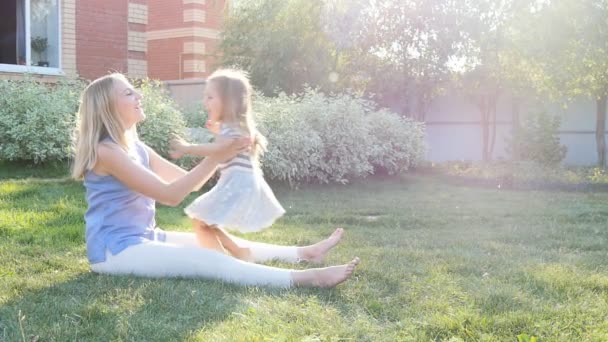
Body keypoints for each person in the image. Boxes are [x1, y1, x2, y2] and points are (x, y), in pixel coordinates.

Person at [71, 73, 359, 288]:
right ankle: (307, 278)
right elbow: (170, 196)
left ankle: (305, 253)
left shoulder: (136, 147)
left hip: (145, 237)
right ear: (108, 106)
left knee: (219, 242)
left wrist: (222, 150)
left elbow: (187, 183)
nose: (139, 96)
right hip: (114, 251)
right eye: (129, 93)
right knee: (209, 260)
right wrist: (218, 153)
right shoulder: (105, 151)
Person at [170, 69, 282, 260]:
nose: (205, 102)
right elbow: (225, 148)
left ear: (229, 102)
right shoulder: (237, 127)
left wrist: (187, 148)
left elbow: (218, 151)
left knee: (201, 220)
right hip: (240, 183)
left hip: (237, 185)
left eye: (210, 97)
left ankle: (222, 261)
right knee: (204, 221)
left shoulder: (233, 129)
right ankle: (238, 252)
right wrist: (217, 132)